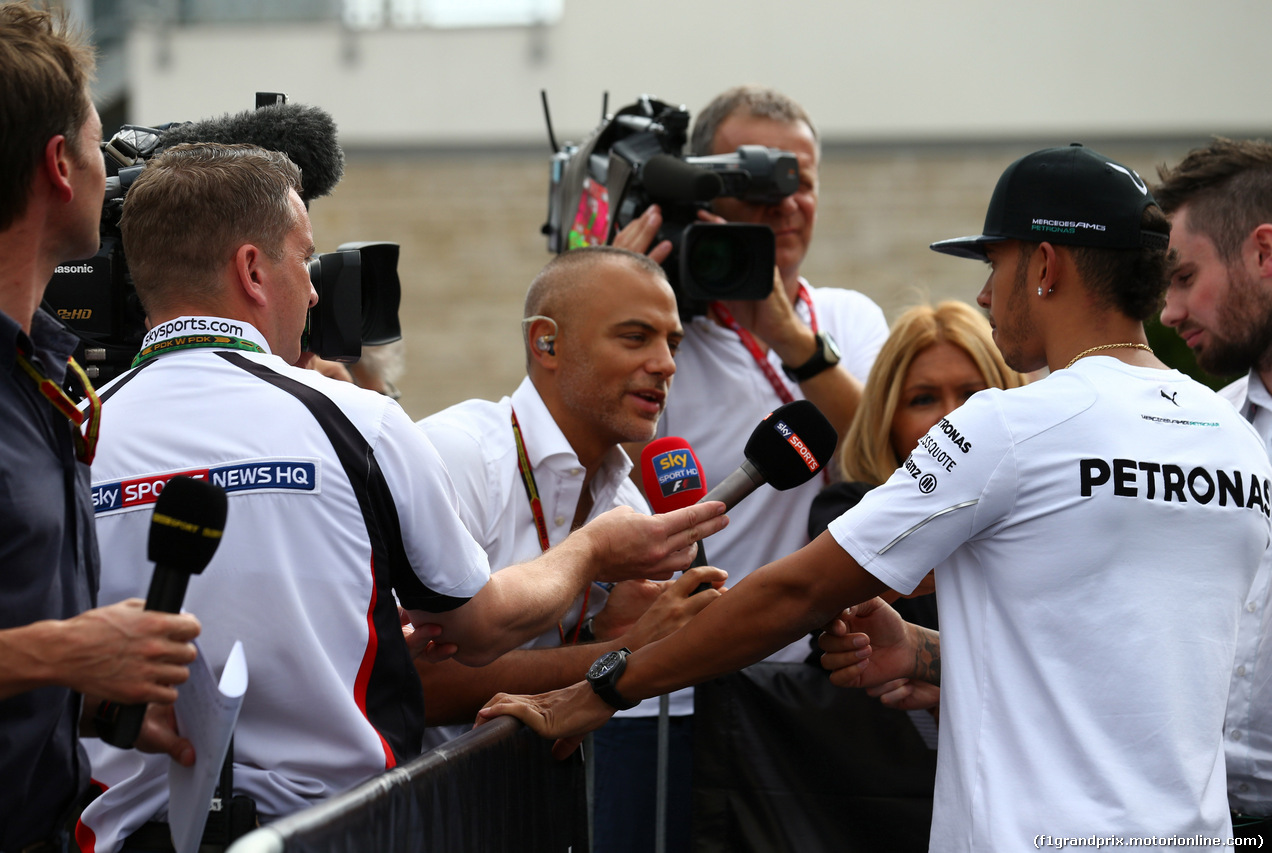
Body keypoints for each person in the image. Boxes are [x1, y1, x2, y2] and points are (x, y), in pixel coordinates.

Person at [481, 143, 1272, 851]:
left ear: (1045, 265)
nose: (989, 298)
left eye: (993, 265)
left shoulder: (1012, 423)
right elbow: (1113, 658)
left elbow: (796, 591)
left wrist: (597, 690)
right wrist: (922, 650)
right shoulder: (1235, 437)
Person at [73, 143, 726, 852]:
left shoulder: (69, 429)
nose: (317, 291)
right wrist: (594, 548)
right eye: (304, 257)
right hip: (336, 829)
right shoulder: (358, 419)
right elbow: (477, 627)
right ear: (253, 271)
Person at [607, 84, 889, 852]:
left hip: (800, 694)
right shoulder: (664, 335)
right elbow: (601, 472)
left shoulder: (848, 319)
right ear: (702, 190)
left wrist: (788, 333)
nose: (785, 202)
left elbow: (884, 457)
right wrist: (611, 309)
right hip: (660, 692)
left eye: (802, 181)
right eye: (758, 181)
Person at [0, 5, 201, 850]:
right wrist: (64, 653)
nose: (111, 175)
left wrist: (79, 690)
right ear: (58, 166)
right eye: (96, 144)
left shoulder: (46, 370)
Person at [415, 246, 724, 750]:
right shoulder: (457, 454)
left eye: (673, 343)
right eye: (635, 337)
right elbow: (420, 684)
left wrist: (605, 634)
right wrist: (626, 651)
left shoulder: (628, 501)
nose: (666, 364)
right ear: (547, 342)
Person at [809, 300, 1026, 703]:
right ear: (886, 418)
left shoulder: (1048, 512)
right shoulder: (845, 512)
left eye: (973, 395)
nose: (951, 418)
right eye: (923, 399)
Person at [1152, 137, 1272, 842]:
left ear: (1264, 252)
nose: (1167, 310)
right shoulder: (1197, 431)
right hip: (1200, 821)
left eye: (1183, 276)